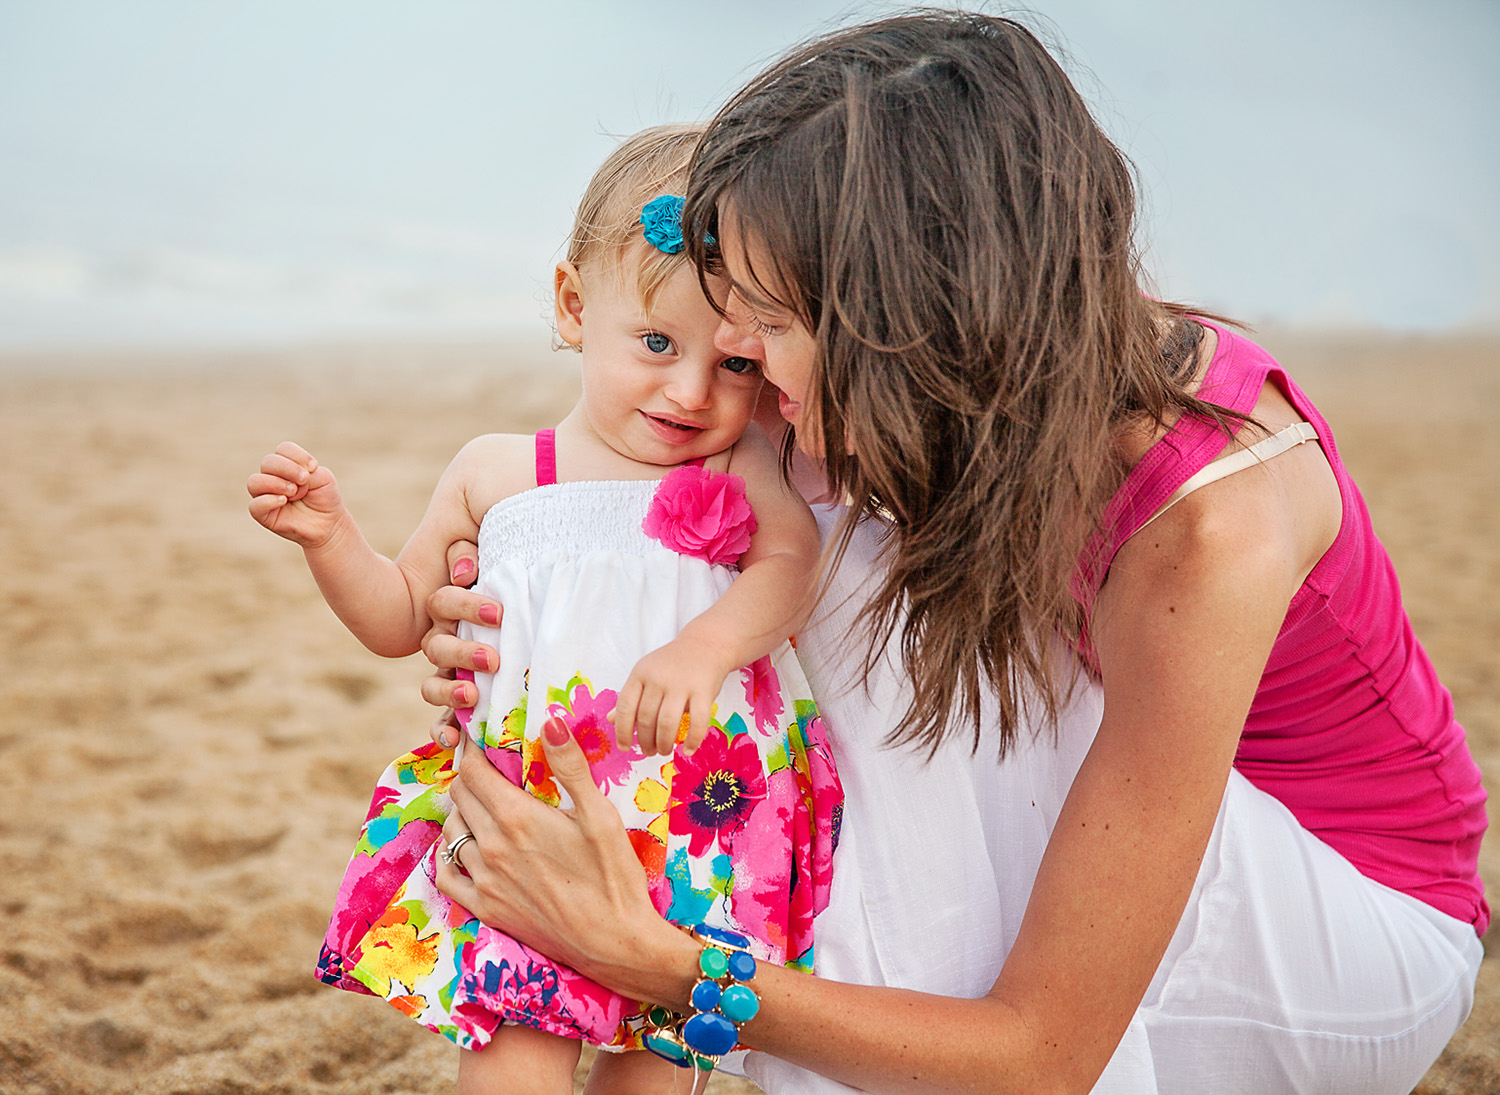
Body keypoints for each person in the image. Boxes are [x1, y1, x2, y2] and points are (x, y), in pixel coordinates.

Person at [412, 12, 1488, 1095]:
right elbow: (638, 521)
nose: (738, 350)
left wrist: (661, 965)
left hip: (1342, 933)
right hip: (1137, 880)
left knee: (840, 571)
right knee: (765, 527)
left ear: (902, 316)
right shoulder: (975, 379)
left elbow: (1043, 1054)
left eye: (774, 320)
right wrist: (524, 616)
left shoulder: (1208, 526)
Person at [247, 124, 842, 1095]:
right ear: (574, 306)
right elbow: (401, 616)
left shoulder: (740, 464)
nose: (691, 391)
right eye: (655, 343)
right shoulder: (498, 470)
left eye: (734, 364)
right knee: (515, 1053)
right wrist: (331, 540)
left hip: (696, 811)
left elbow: (790, 561)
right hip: (532, 814)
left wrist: (705, 649)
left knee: (659, 1061)